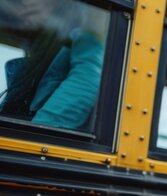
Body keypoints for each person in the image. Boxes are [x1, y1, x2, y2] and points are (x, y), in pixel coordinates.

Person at [0, 0, 103, 130]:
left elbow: (88, 77)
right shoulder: (31, 64)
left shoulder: (85, 34)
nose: (26, 2)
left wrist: (33, 136)